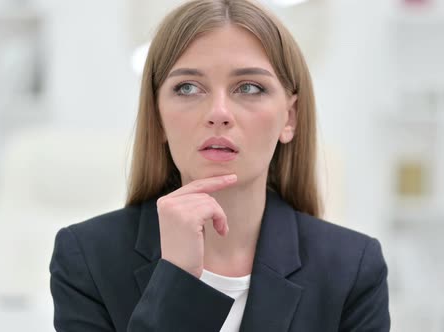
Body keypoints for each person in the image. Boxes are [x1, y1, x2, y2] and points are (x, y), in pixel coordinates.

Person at [49, 0, 390, 331]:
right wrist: (176, 279)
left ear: (290, 117)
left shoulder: (354, 268)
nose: (219, 114)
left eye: (250, 87)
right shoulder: (86, 258)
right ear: (158, 117)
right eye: (187, 87)